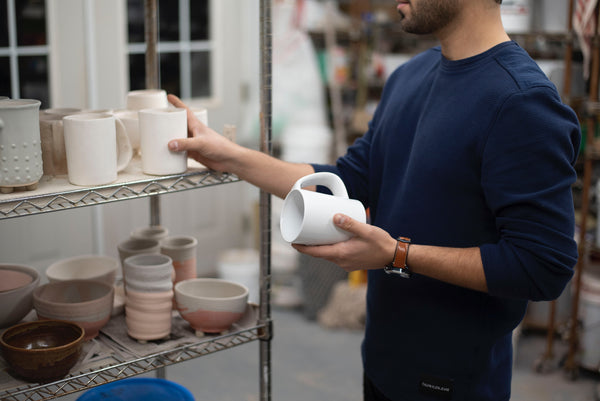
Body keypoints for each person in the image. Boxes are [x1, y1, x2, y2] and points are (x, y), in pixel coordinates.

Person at [167, 0, 581, 399]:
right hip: (383, 360)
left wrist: (396, 255)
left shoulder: (521, 101)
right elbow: (350, 179)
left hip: (451, 381)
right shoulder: (411, 75)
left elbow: (542, 265)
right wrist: (231, 157)